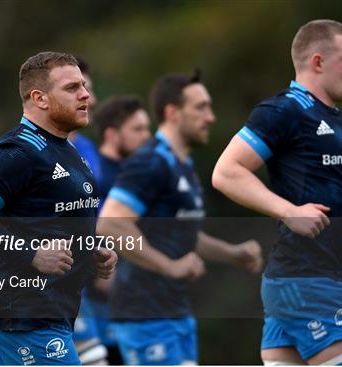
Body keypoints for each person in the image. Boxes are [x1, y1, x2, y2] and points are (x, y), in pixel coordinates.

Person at [212, 19, 342, 365]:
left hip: (297, 282)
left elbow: (317, 191)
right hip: (310, 281)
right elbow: (226, 172)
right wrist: (288, 211)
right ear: (318, 62)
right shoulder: (285, 110)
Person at [0, 51, 117, 366]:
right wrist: (32, 254)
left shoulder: (69, 151)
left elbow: (49, 218)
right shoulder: (16, 152)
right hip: (27, 314)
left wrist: (91, 248)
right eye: (72, 88)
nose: (86, 95)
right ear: (39, 98)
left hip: (50, 312)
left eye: (83, 85)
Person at [98, 71, 263, 365]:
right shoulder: (150, 162)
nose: (210, 117)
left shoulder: (182, 166)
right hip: (144, 314)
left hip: (176, 311)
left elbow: (183, 234)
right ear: (173, 113)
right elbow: (110, 224)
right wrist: (170, 266)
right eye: (200, 107)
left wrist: (232, 254)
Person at [73, 95, 151, 365]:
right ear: (112, 135)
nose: (147, 136)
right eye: (138, 129)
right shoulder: (96, 174)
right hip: (100, 293)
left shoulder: (135, 173)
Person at [67, 56, 101, 181]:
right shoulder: (22, 152)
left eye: (88, 90)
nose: (92, 100)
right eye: (84, 90)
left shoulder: (88, 146)